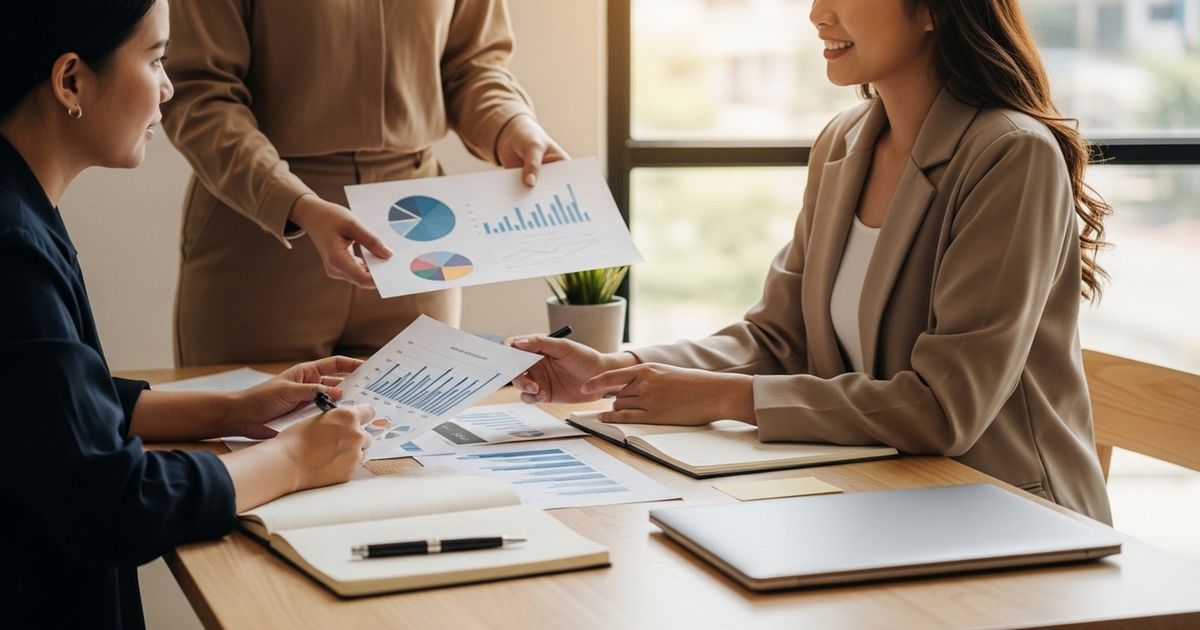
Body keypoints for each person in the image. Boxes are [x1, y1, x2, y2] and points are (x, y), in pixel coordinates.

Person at [511, 0, 1115, 524]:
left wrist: (726, 399)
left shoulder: (1011, 154)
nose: (816, 14)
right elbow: (778, 336)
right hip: (876, 494)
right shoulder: (844, 142)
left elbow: (944, 407)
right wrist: (614, 370)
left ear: (934, 10)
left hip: (1006, 510)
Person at [0, 2, 376, 627]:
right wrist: (290, 460)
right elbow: (110, 503)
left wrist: (230, 410)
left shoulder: (21, 210)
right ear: (71, 81)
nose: (170, 88)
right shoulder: (13, 248)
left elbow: (42, 404)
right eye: (155, 60)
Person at [161, 0, 568, 366]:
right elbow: (200, 91)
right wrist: (293, 201)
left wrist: (511, 123)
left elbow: (472, 64)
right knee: (249, 436)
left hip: (418, 227)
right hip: (266, 232)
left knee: (417, 438)